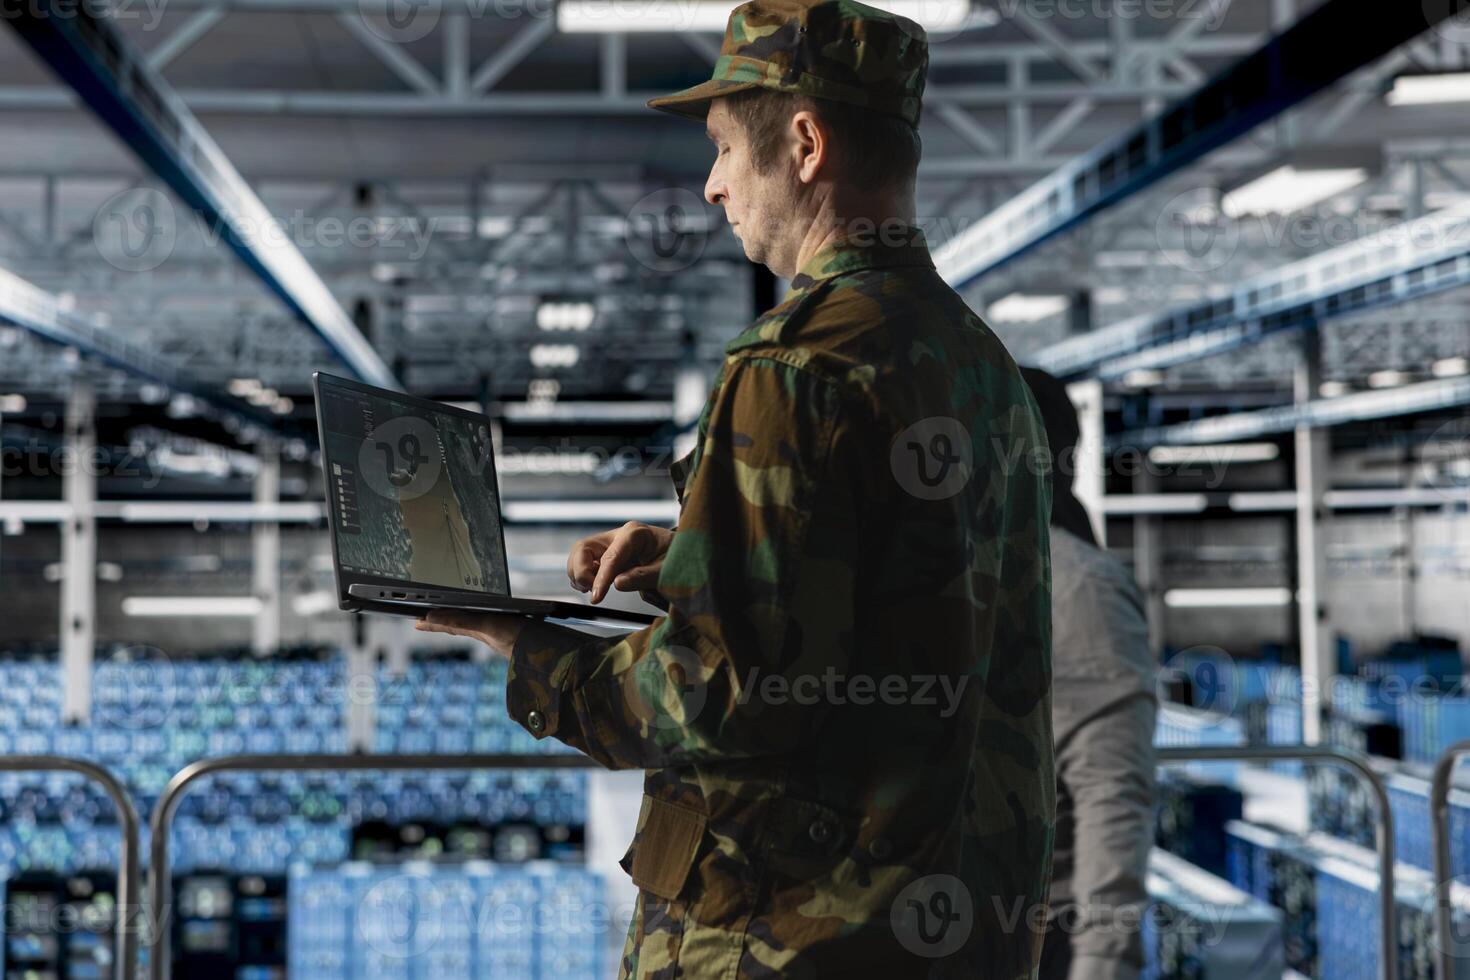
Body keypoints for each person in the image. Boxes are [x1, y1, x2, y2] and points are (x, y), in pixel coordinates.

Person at [418, 1, 1055, 975]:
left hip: (792, 934)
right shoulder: (978, 361)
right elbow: (909, 591)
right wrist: (693, 558)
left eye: (722, 150)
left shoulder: (794, 363)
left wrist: (532, 650)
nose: (713, 186)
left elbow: (716, 695)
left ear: (802, 143)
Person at [1021, 368, 1158, 980]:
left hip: (1045, 938)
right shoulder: (955, 576)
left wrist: (1103, 963)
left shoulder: (1077, 588)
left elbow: (1112, 796)